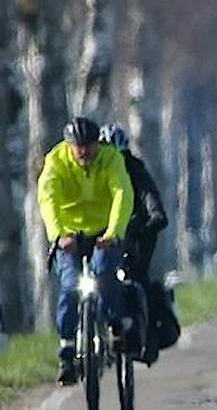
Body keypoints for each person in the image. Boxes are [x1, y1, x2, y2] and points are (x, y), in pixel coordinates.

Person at [36, 115, 134, 385]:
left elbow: (122, 194)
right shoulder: (55, 162)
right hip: (70, 236)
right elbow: (47, 199)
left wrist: (114, 232)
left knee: (105, 274)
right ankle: (67, 349)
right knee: (69, 287)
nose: (84, 152)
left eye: (89, 146)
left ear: (97, 144)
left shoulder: (111, 159)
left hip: (103, 233)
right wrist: (59, 235)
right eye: (78, 147)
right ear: (69, 145)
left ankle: (114, 325)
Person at [101, 123, 169, 354]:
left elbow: (153, 202)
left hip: (135, 236)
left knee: (138, 277)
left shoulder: (135, 170)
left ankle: (148, 338)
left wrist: (150, 221)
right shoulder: (95, 171)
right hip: (103, 236)